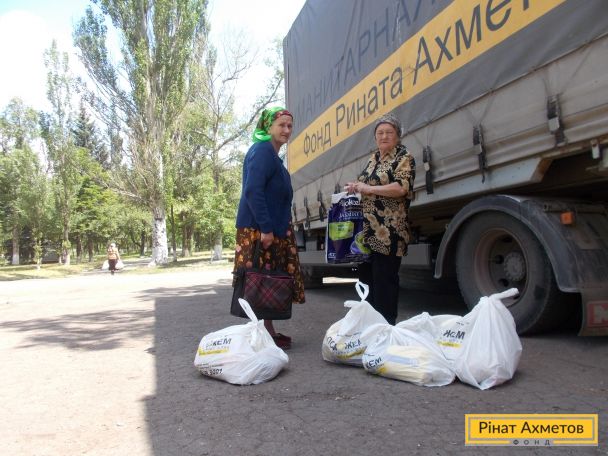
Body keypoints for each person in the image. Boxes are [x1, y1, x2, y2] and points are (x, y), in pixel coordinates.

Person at [233, 107, 305, 349]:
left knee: (268, 281)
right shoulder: (262, 151)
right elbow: (253, 191)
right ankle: (258, 335)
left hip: (270, 228)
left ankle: (267, 331)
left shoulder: (273, 156)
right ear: (268, 127)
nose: (286, 130)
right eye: (281, 125)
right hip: (259, 229)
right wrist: (266, 228)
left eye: (289, 126)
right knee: (259, 281)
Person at [345, 113, 416, 325]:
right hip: (367, 232)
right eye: (380, 133)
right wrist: (356, 186)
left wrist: (369, 188)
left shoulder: (403, 157)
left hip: (389, 231)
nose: (384, 136)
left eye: (389, 132)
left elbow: (401, 188)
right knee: (367, 280)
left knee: (385, 281)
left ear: (397, 136)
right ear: (375, 137)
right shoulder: (373, 159)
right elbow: (366, 184)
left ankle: (386, 327)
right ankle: (370, 326)